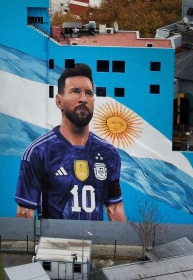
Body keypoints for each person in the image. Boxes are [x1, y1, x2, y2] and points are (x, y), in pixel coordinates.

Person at [15, 64, 127, 222]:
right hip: (55, 237)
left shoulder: (109, 153)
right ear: (59, 101)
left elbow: (114, 209)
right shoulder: (38, 152)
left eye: (88, 93)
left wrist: (128, 238)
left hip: (94, 238)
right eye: (75, 91)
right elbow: (25, 213)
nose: (83, 99)